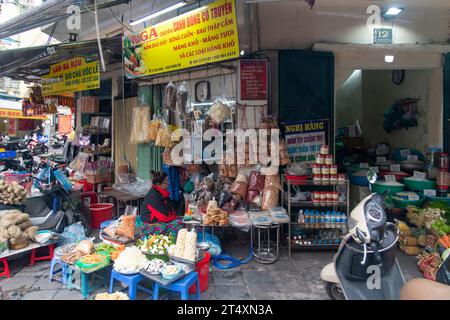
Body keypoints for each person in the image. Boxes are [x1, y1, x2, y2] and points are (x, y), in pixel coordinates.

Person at [140, 171, 183, 238]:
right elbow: (164, 216)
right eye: (166, 183)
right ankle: (172, 243)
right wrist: (175, 217)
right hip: (149, 226)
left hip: (157, 221)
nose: (168, 184)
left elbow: (170, 207)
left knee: (183, 219)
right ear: (158, 184)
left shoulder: (161, 193)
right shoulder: (153, 196)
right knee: (180, 223)